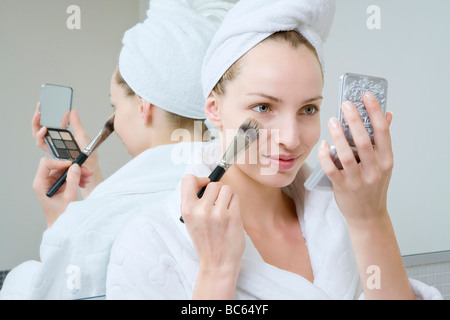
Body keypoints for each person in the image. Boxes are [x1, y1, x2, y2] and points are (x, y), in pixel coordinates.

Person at [106, 0, 443, 299]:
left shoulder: (343, 215)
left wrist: (372, 218)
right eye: (264, 107)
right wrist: (217, 272)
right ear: (214, 109)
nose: (291, 138)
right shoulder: (151, 243)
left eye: (308, 109)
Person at [0, 0, 235, 300]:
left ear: (143, 105)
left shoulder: (91, 220)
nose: (114, 120)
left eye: (115, 106)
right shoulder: (234, 191)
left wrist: (60, 226)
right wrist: (97, 186)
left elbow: (45, 289)